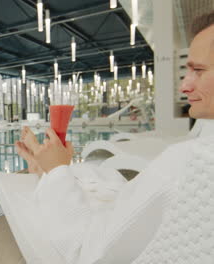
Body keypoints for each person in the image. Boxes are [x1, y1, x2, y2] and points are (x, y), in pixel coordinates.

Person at [15, 11, 214, 263]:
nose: (184, 86)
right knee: (96, 174)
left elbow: (84, 249)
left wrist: (56, 171)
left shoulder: (186, 164)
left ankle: (44, 171)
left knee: (86, 175)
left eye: (198, 70)